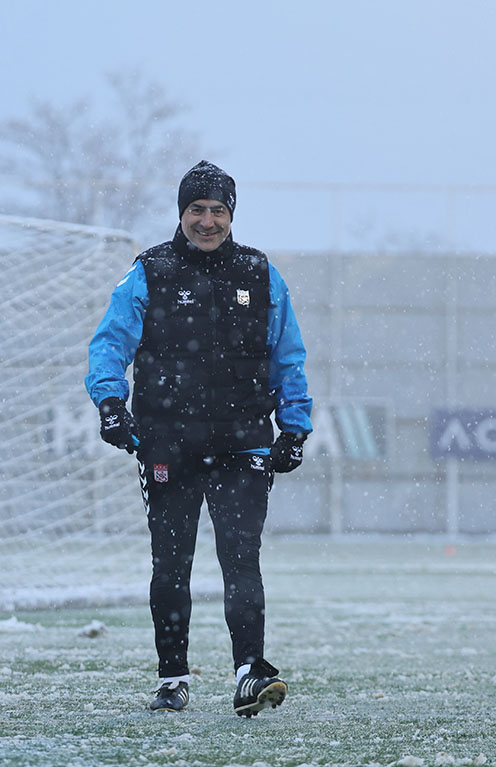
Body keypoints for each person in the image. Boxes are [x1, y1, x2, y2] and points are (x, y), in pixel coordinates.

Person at [85, 160, 313, 717]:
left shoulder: (261, 275)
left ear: (231, 216)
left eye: (218, 210)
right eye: (197, 210)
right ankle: (172, 679)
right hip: (167, 443)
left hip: (244, 444)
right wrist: (111, 402)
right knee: (171, 565)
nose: (207, 221)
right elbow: (109, 342)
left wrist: (295, 426)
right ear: (181, 213)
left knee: (241, 561)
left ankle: (249, 673)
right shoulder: (150, 271)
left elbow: (289, 354)